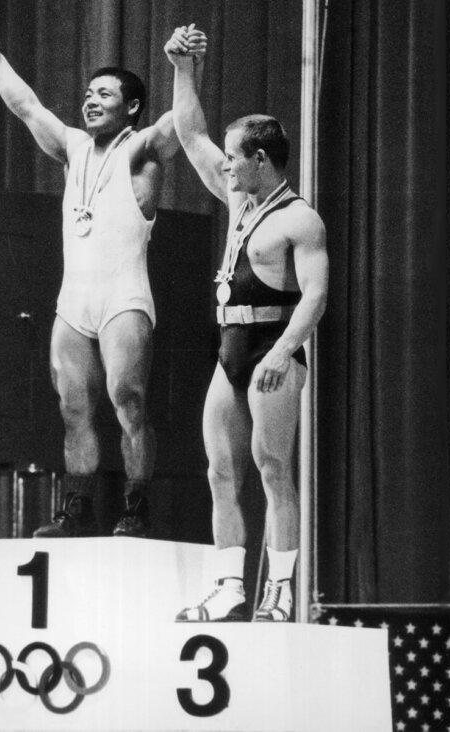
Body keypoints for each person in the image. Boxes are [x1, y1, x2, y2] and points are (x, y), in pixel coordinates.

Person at [0, 35, 182, 537]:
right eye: (88, 92)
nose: (90, 100)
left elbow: (183, 123)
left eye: (104, 94)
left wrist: (185, 67)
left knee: (127, 398)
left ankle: (136, 505)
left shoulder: (143, 149)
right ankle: (78, 508)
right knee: (72, 408)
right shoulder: (72, 147)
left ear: (131, 107)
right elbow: (25, 106)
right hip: (75, 302)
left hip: (123, 298)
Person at [165, 25, 329, 622]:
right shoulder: (239, 201)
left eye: (234, 159)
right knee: (220, 468)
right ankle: (229, 587)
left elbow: (315, 295)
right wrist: (184, 68)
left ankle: (280, 593)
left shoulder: (300, 219)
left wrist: (284, 352)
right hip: (229, 347)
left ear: (260, 160)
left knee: (272, 467)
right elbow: (189, 132)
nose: (225, 166)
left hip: (272, 346)